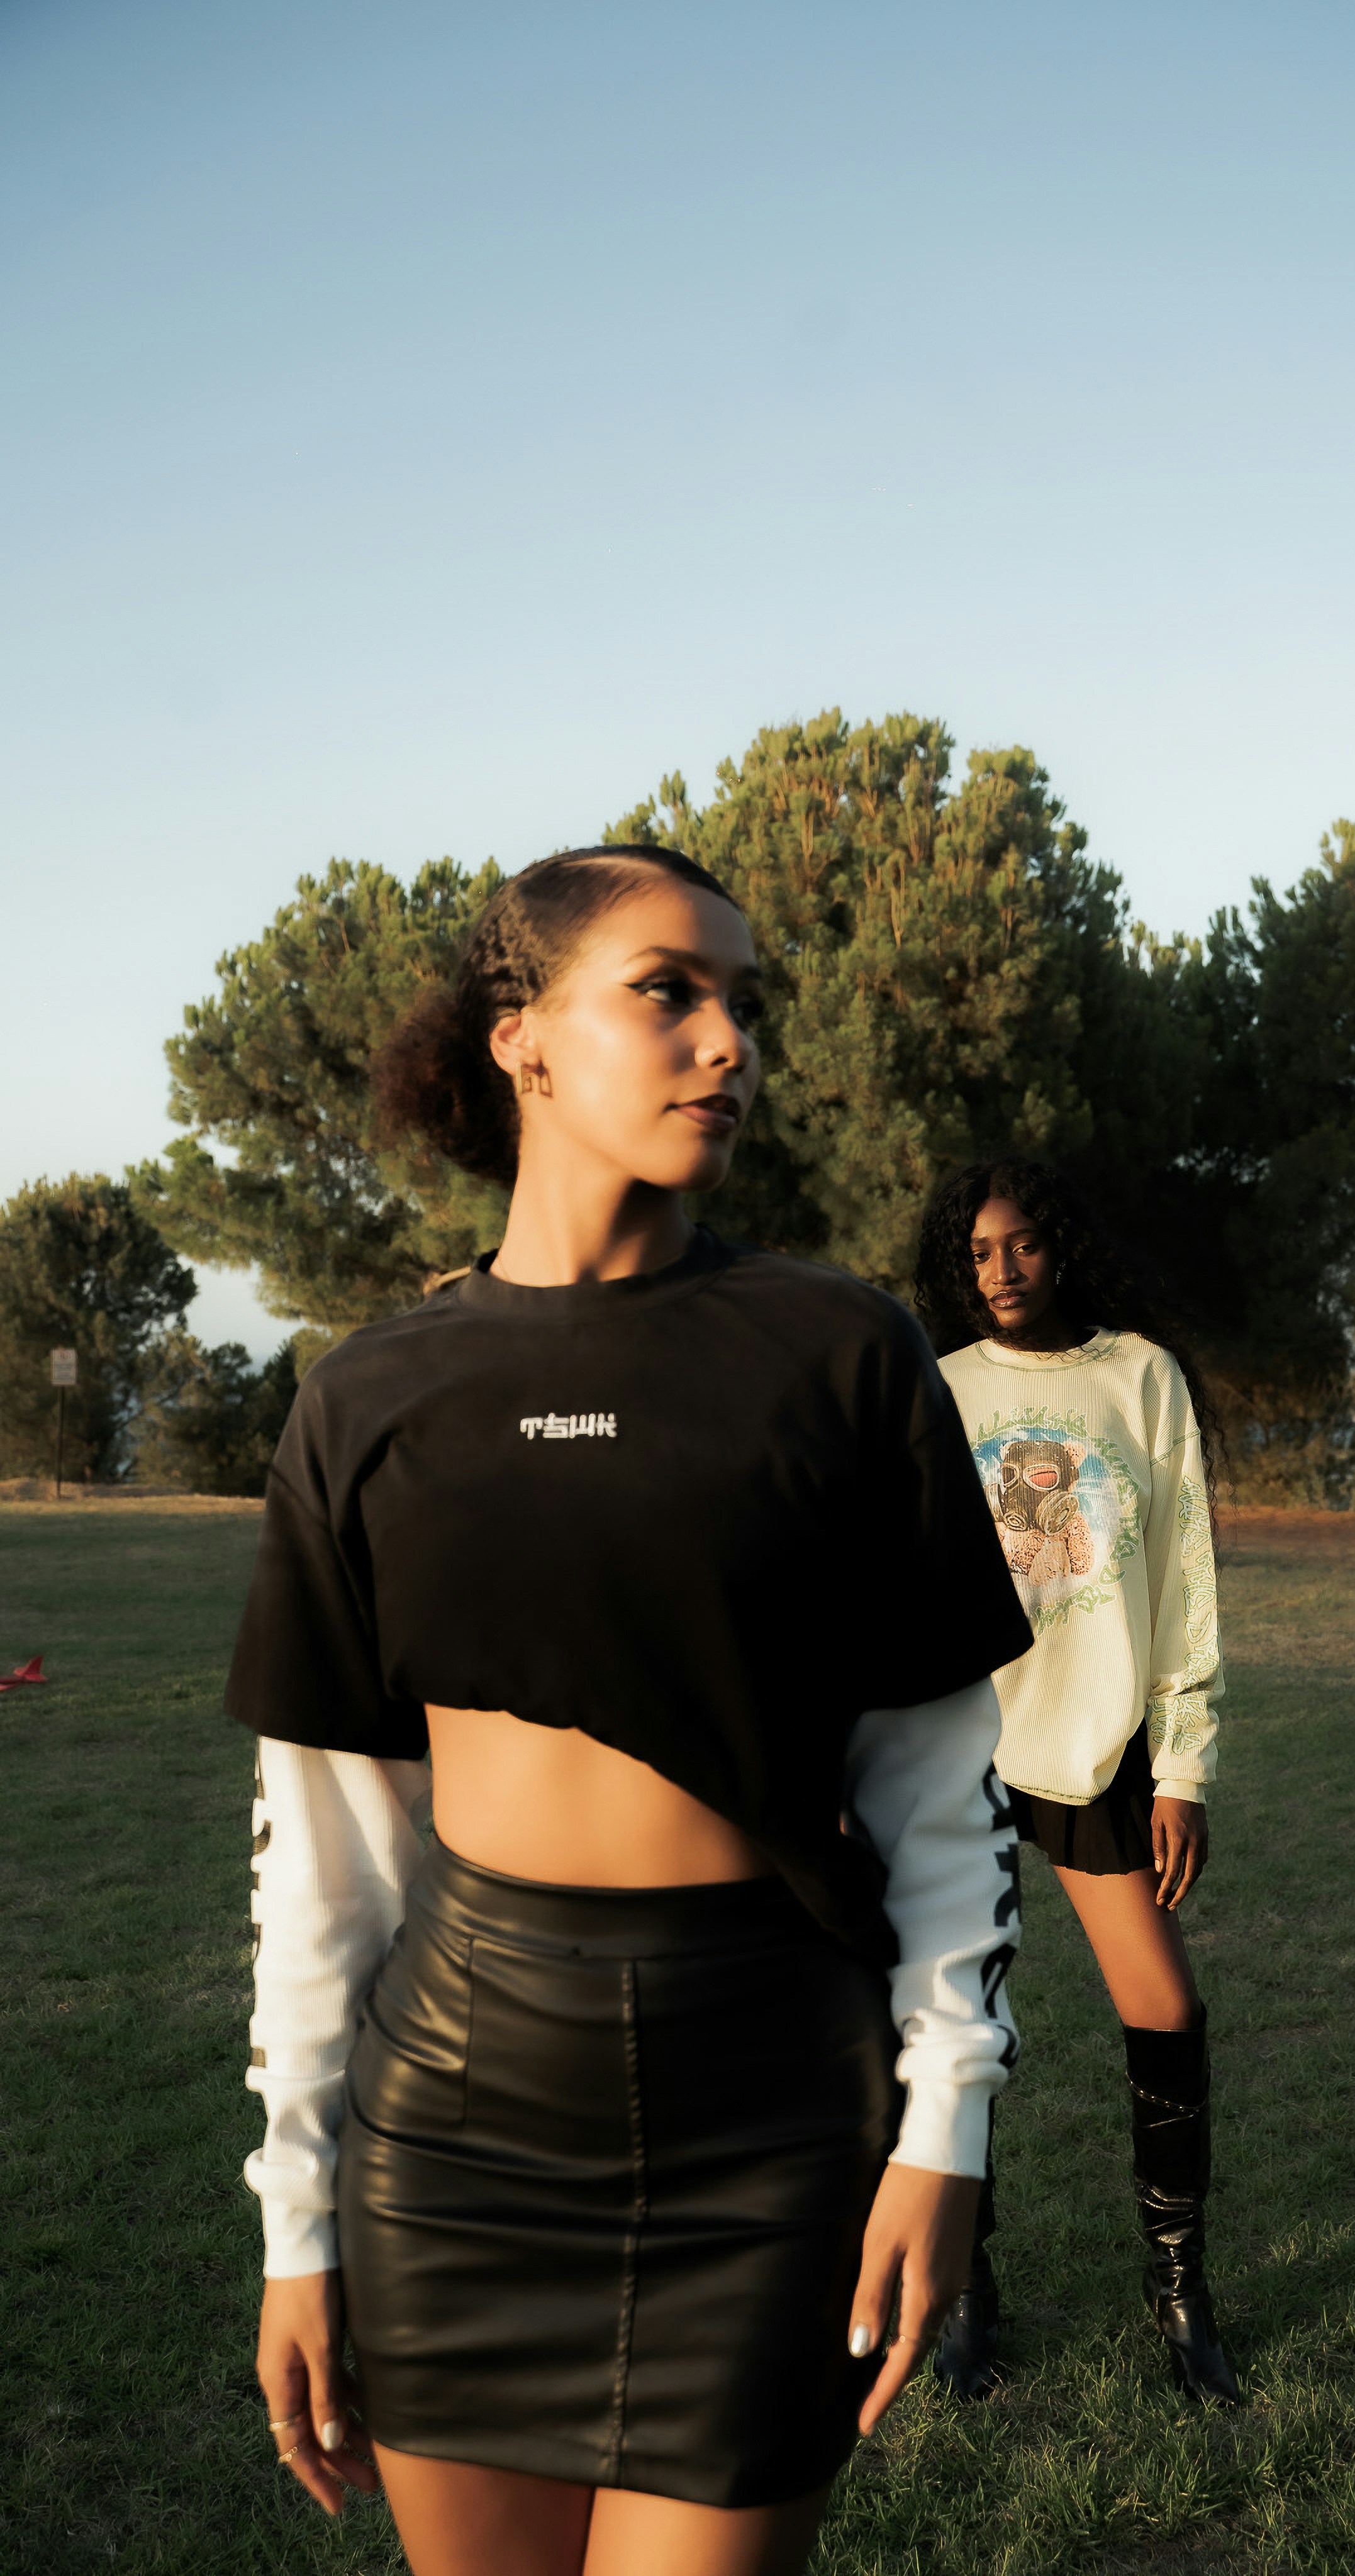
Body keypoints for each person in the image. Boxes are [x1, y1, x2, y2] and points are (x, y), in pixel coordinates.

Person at [233, 847, 1034, 2576]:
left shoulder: (841, 1354)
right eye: (669, 990)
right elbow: (327, 1860)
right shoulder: (369, 1395)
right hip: (455, 2131)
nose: (728, 1040)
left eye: (745, 1002)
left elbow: (941, 1793)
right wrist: (299, 2222)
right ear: (521, 1036)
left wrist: (947, 2121)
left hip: (767, 2119)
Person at [912, 1157, 1239, 2409]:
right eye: (981, 1249)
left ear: (1064, 1250)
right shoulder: (940, 1390)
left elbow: (1189, 1580)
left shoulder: (1140, 1376)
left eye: (1026, 1244)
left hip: (1102, 1743)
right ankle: (963, 2292)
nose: (1002, 1267)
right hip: (962, 1742)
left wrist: (1185, 1760)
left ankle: (1180, 2289)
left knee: (1164, 2005)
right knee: (958, 2026)